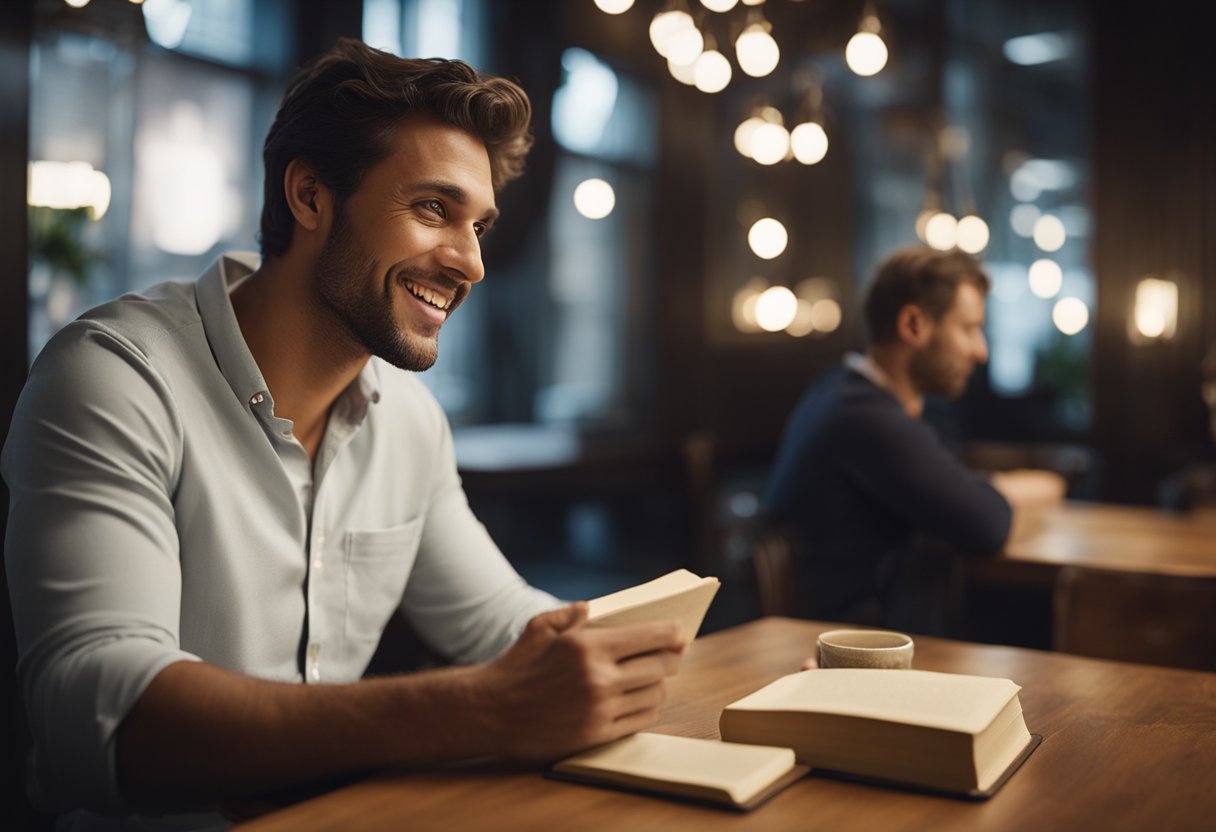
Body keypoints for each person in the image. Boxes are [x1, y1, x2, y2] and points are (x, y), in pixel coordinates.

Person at [2, 40, 685, 830]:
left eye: (480, 225)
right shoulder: (113, 378)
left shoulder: (409, 419)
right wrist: (474, 711)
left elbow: (504, 625)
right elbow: (100, 712)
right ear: (310, 195)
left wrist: (688, 665)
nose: (470, 261)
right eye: (434, 209)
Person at [764, 246, 1064, 630]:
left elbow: (962, 494)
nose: (981, 351)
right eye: (969, 328)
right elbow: (986, 523)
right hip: (852, 653)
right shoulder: (864, 417)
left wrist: (984, 488)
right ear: (913, 325)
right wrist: (1032, 484)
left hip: (848, 637)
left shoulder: (838, 389)